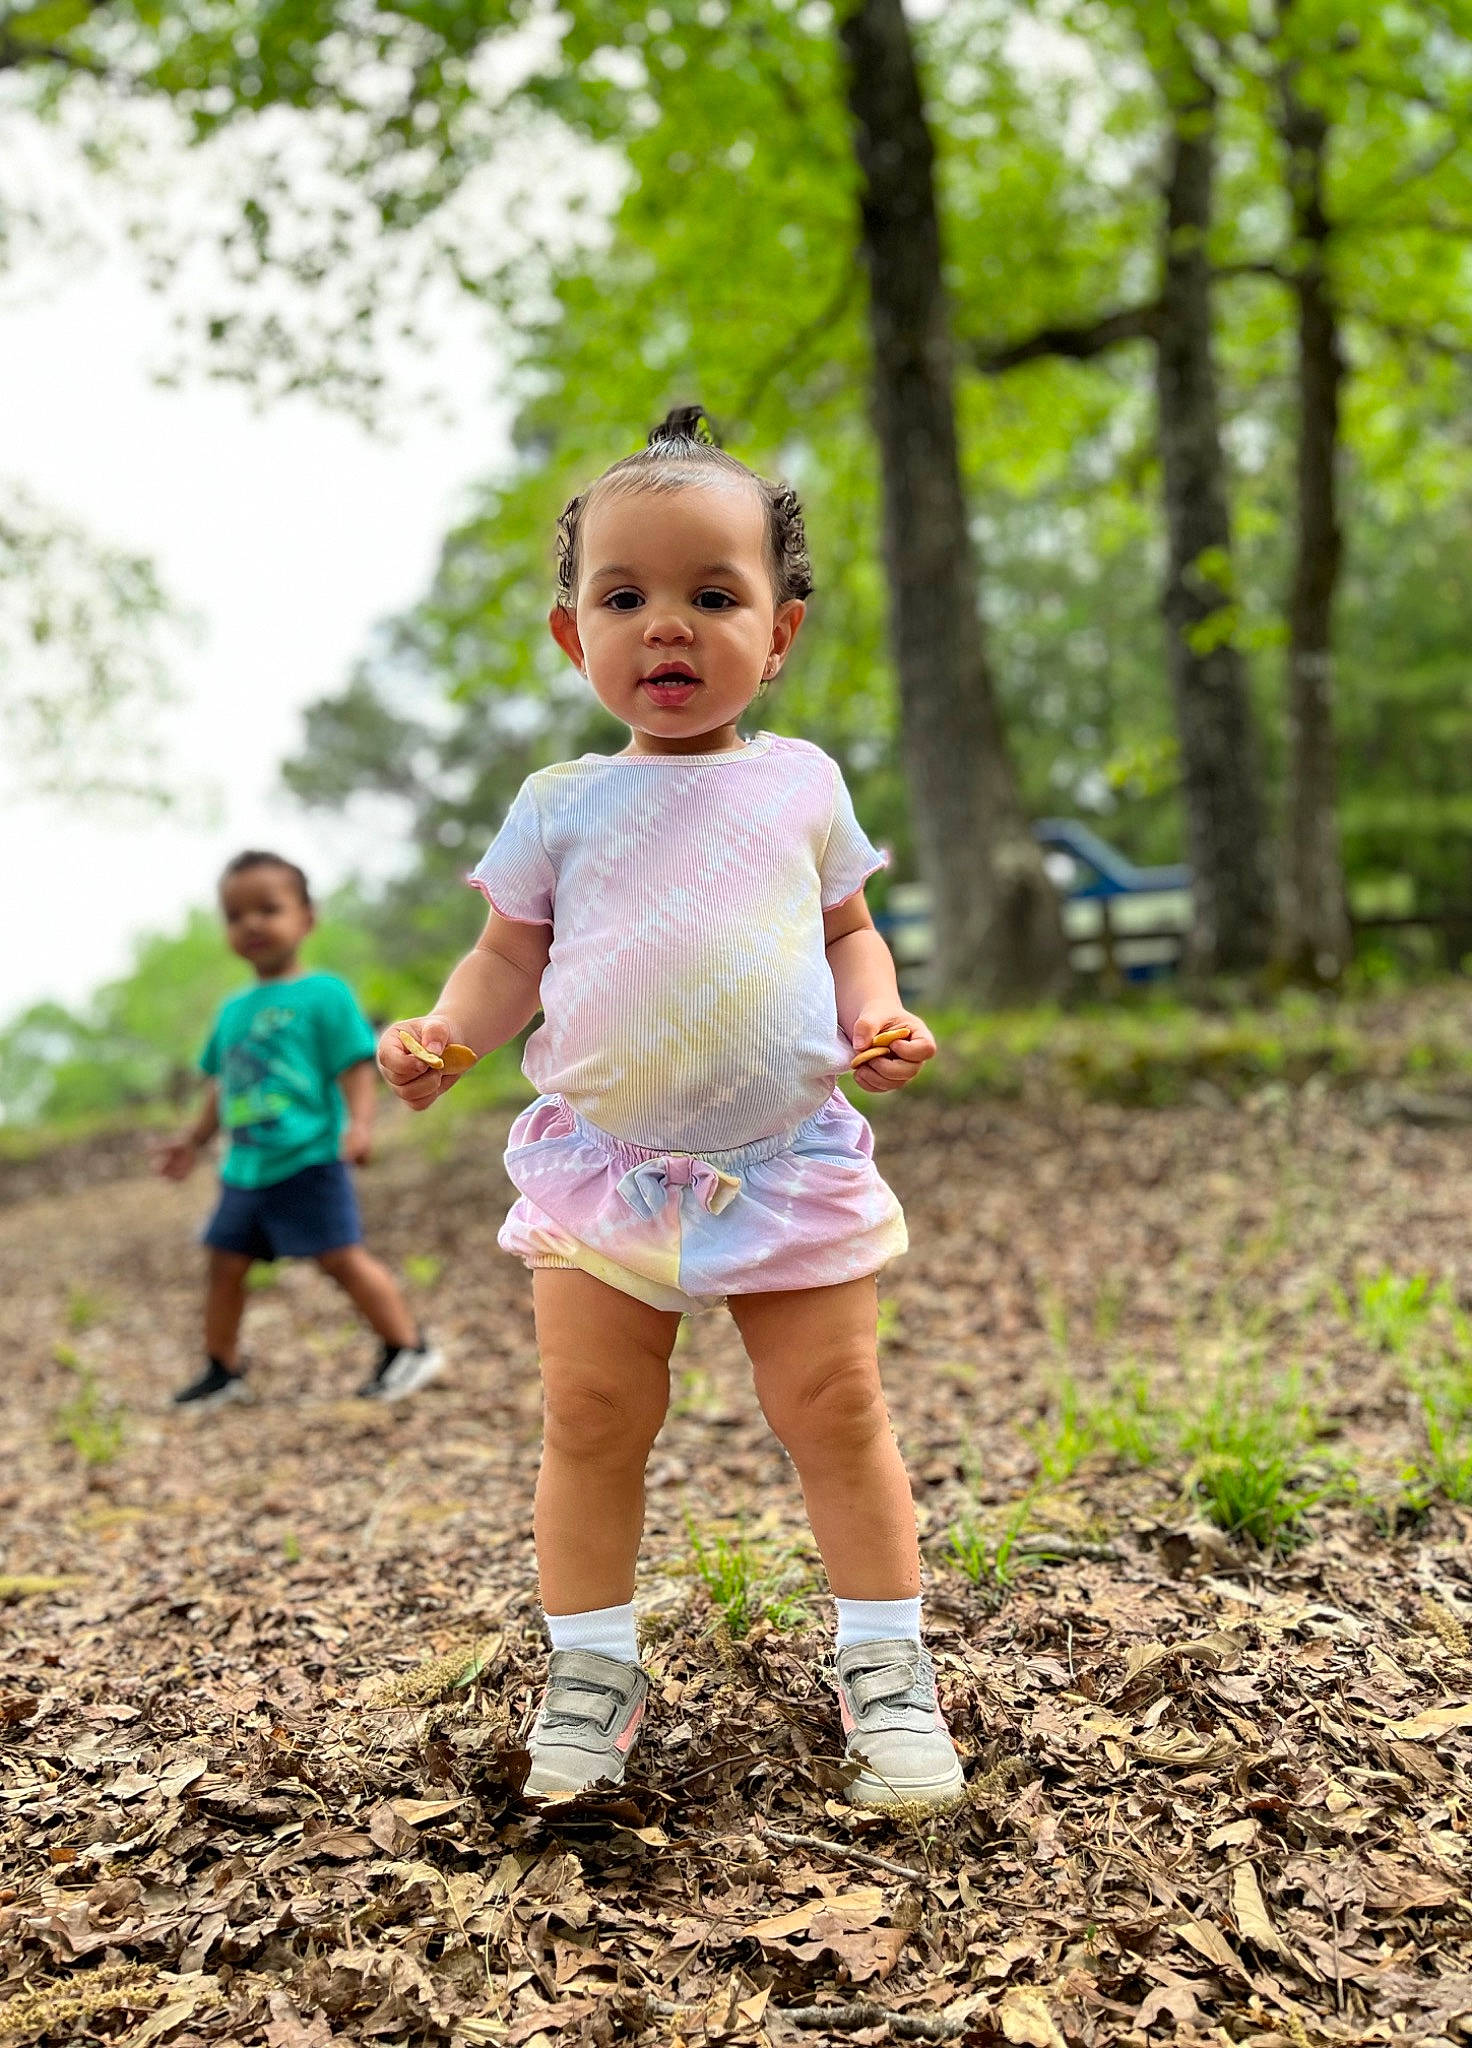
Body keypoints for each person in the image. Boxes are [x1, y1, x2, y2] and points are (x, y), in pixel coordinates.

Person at [377, 408, 961, 1810]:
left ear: (782, 630)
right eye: (624, 596)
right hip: (604, 1173)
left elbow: (848, 931)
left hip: (783, 1160)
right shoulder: (559, 805)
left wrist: (875, 1012)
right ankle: (592, 1668)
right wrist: (449, 1035)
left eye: (714, 594)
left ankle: (885, 1661)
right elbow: (508, 957)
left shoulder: (800, 784)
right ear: (572, 636)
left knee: (835, 1406)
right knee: (590, 1415)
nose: (668, 626)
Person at [154, 850, 441, 1408]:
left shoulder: (325, 993)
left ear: (307, 918)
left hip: (308, 1157)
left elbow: (355, 1066)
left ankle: (408, 1347)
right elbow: (223, 1084)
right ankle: (222, 1368)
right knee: (224, 1262)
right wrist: (193, 1141)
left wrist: (359, 1126)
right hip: (245, 1168)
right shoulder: (232, 1011)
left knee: (339, 1256)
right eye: (235, 915)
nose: (251, 924)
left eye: (268, 909)